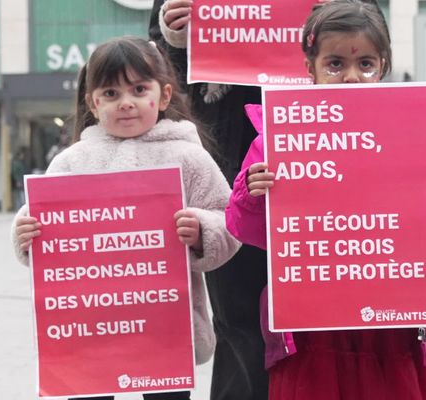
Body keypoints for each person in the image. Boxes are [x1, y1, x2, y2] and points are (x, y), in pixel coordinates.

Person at [225, 1, 426, 399]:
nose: (351, 77)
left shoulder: (405, 131)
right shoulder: (278, 137)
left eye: (366, 65)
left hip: (390, 325)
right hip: (313, 325)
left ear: (384, 65)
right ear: (311, 69)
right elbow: (248, 231)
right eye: (336, 64)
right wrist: (253, 194)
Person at [11, 36, 240, 400]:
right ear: (93, 102)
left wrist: (201, 231)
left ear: (163, 96)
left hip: (165, 329)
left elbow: (229, 220)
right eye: (111, 94)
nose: (127, 103)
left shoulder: (188, 157)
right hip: (90, 327)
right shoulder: (72, 161)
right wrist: (26, 232)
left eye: (138, 89)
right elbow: (42, 228)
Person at [151, 1, 269, 399]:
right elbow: (162, 71)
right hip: (229, 158)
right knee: (239, 321)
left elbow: (369, 33)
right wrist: (175, 33)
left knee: (320, 317)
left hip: (318, 148)